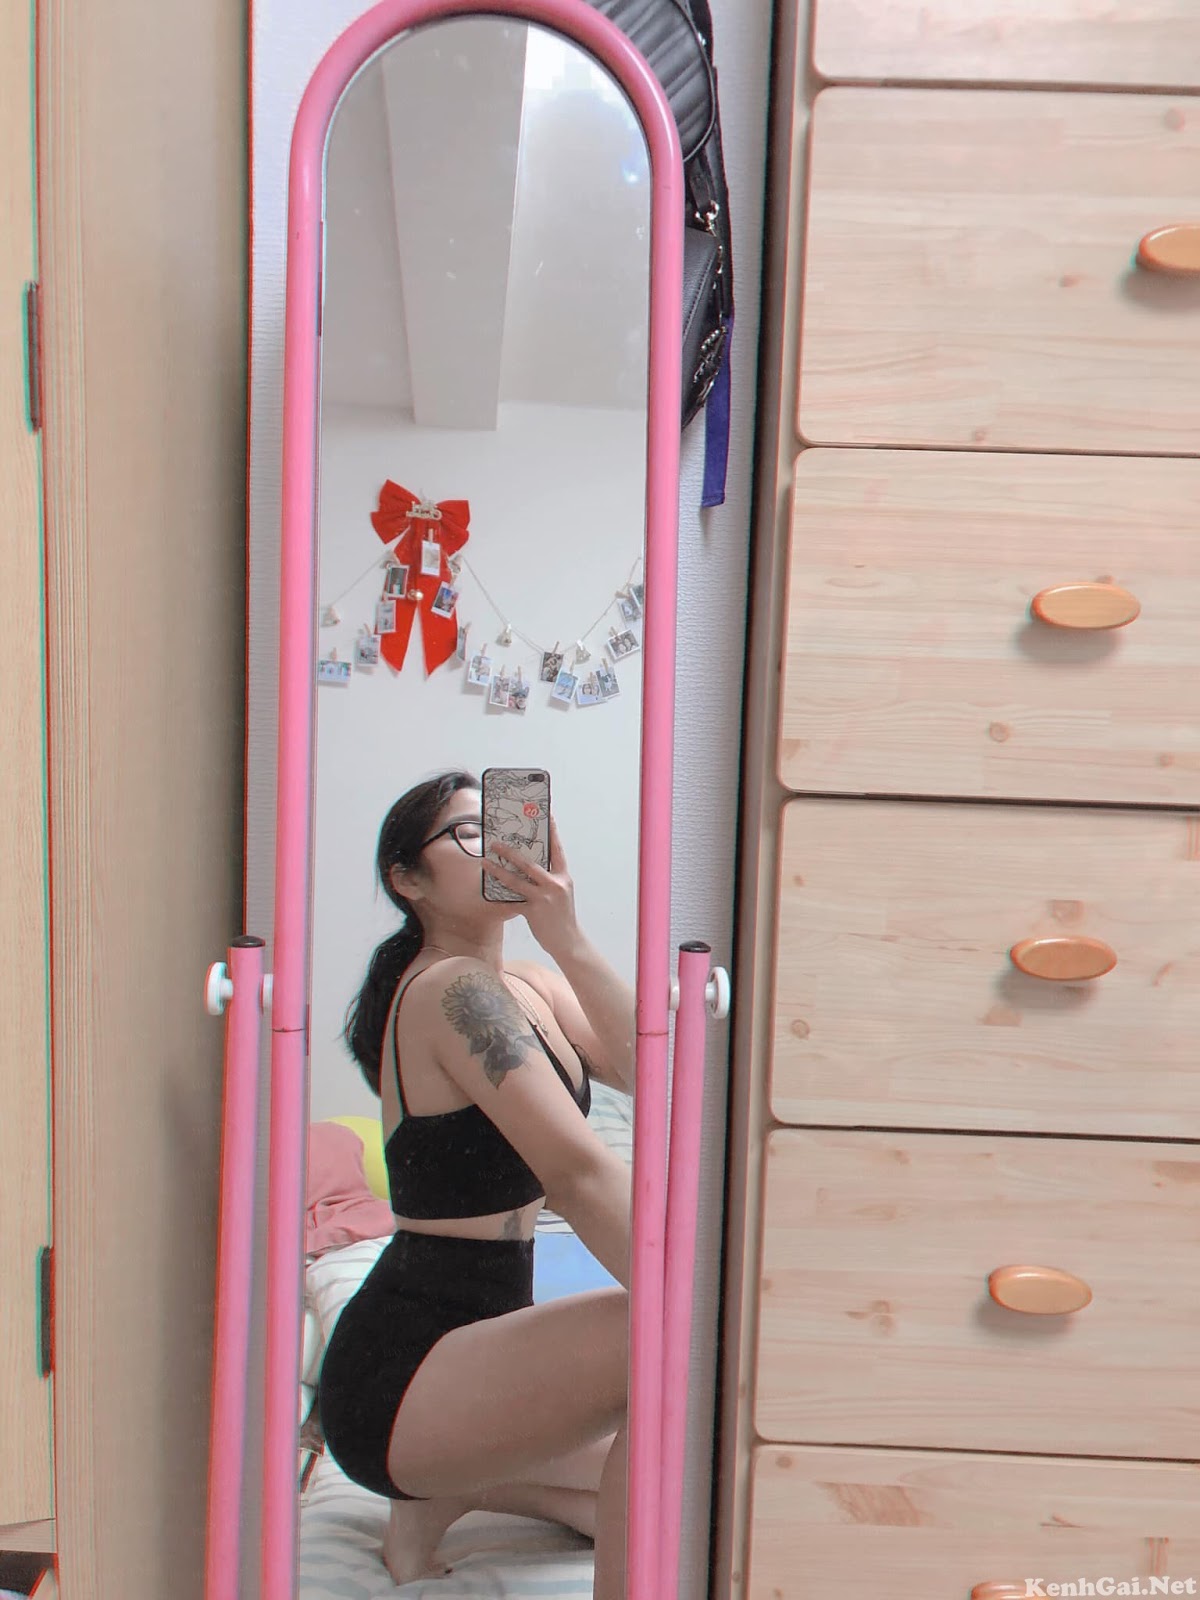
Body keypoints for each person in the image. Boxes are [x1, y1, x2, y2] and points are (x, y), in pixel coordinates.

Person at [317, 769, 636, 1595]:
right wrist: (695, 1300)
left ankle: (447, 1496)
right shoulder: (447, 988)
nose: (492, 845)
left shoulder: (527, 984)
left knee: (656, 1479)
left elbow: (662, 1075)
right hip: (406, 1370)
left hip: (483, 1347)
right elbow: (577, 1170)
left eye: (498, 826)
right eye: (465, 834)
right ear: (408, 881)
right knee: (656, 1339)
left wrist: (567, 937)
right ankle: (436, 1483)